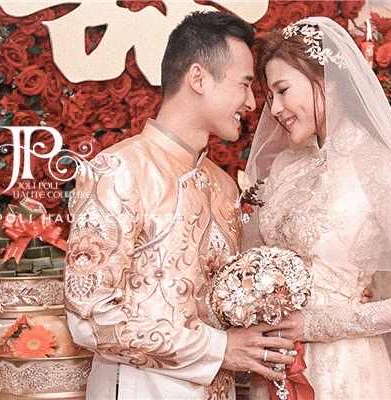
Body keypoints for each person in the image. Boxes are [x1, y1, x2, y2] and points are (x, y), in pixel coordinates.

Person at [64, 11, 295, 400]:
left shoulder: (223, 186)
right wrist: (219, 348)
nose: (252, 102)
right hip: (138, 390)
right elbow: (89, 315)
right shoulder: (119, 169)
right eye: (244, 84)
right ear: (198, 78)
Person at [243, 17, 391, 399]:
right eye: (270, 97)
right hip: (275, 368)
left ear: (328, 80)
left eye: (283, 90)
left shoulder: (377, 165)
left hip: (346, 369)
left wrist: (318, 324)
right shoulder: (285, 164)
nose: (276, 108)